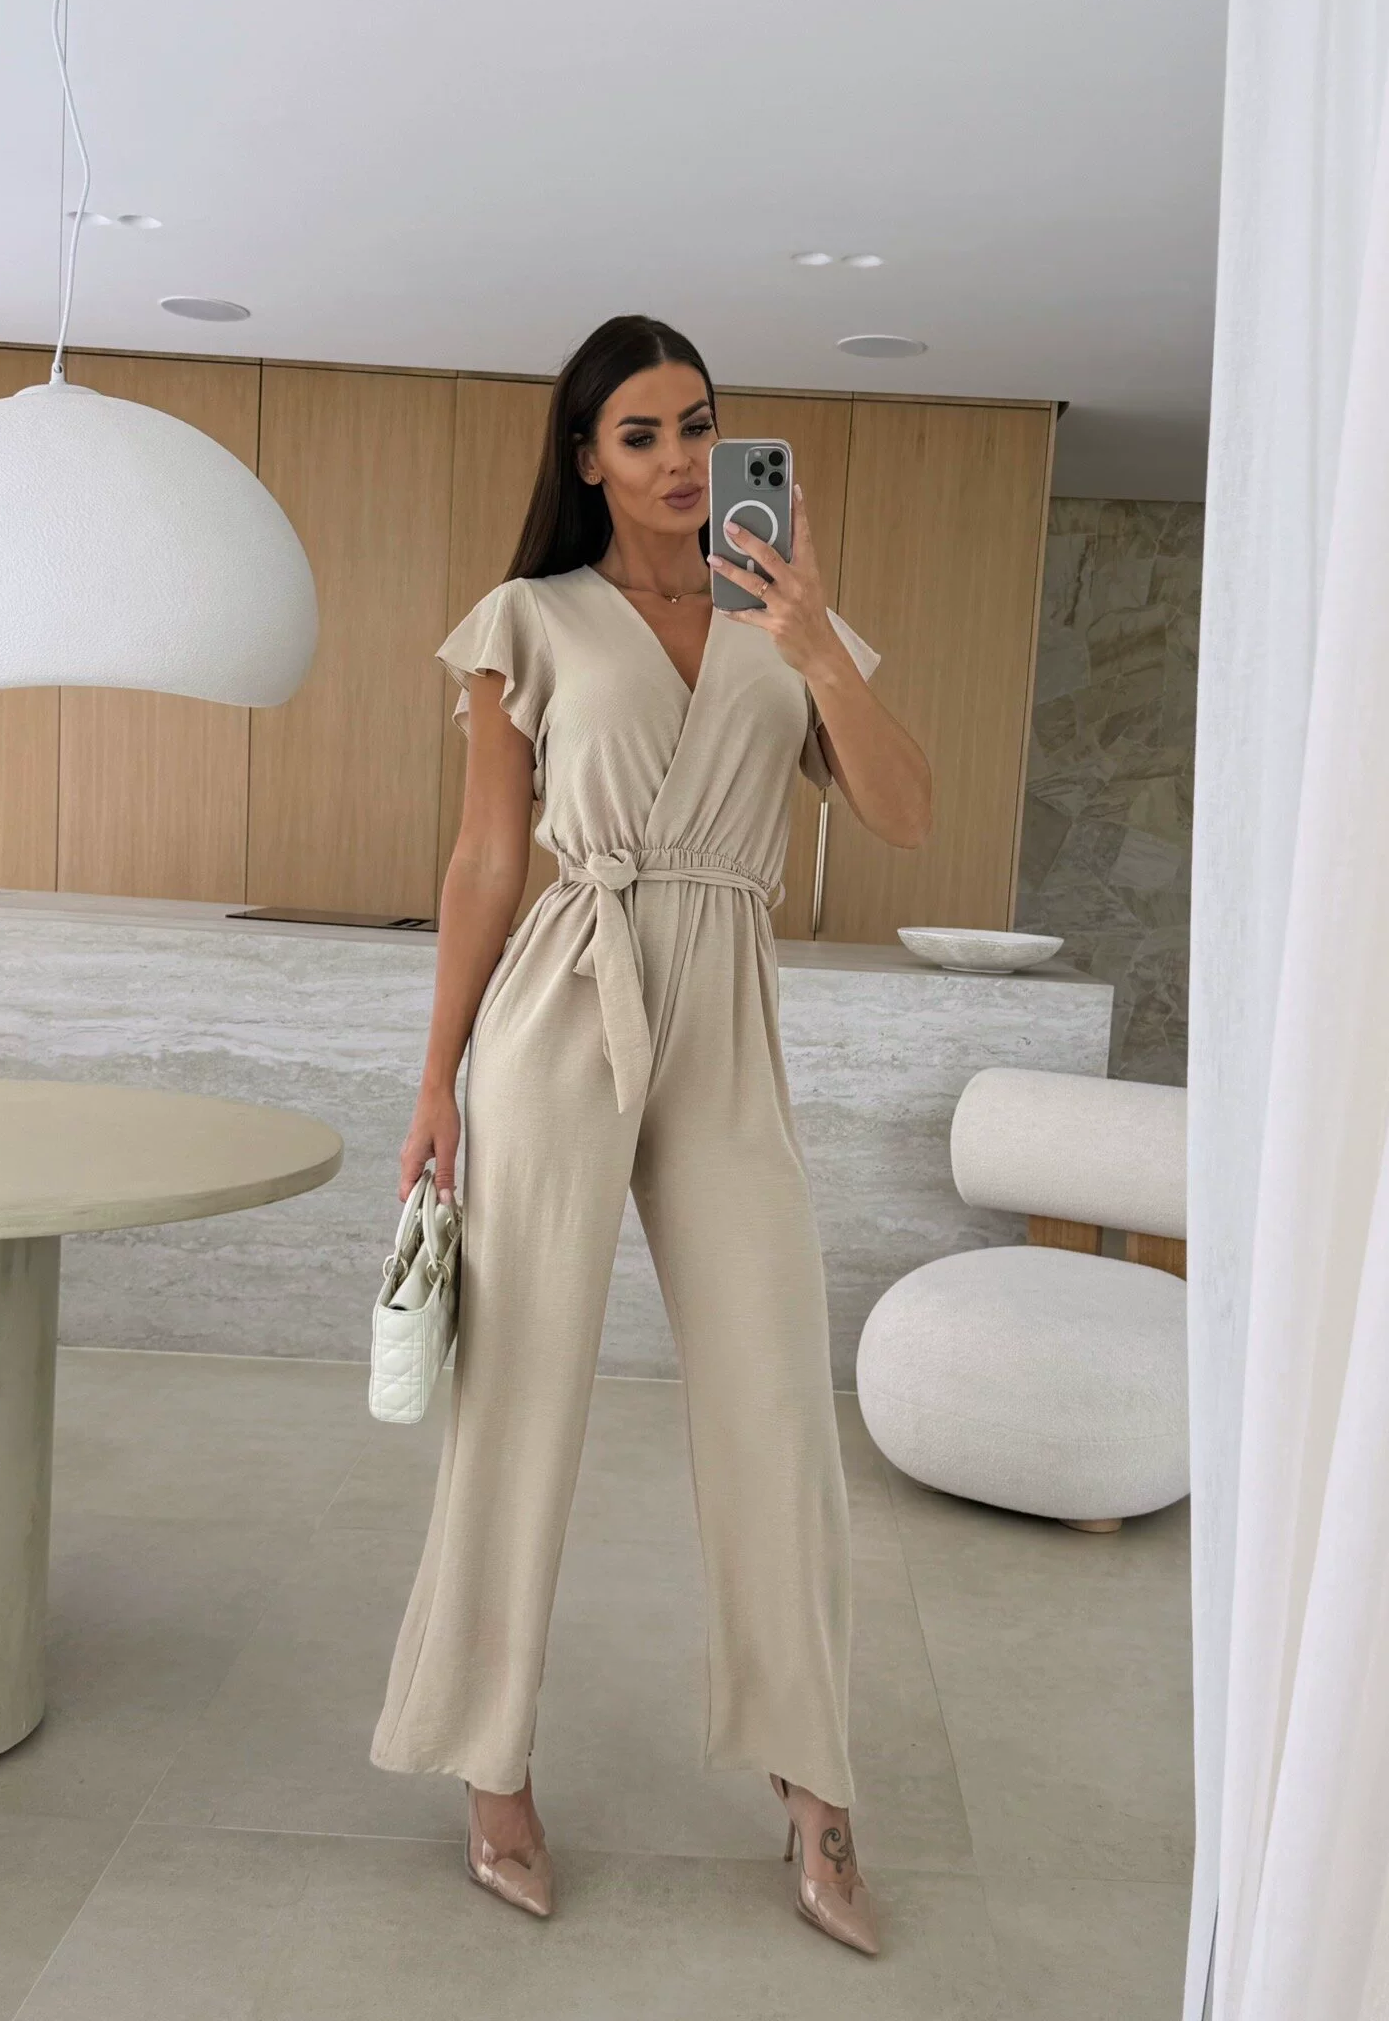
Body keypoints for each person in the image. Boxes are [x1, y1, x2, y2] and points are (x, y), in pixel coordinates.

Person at [370, 313, 932, 1955]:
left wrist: (819, 643)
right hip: (565, 998)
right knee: (520, 1396)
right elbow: (488, 861)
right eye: (642, 433)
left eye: (700, 425)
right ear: (587, 458)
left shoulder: (787, 620)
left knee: (776, 1401)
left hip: (726, 1010)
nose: (682, 459)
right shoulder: (529, 620)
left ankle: (817, 1788)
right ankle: (490, 1761)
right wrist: (434, 1084)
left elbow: (906, 815)